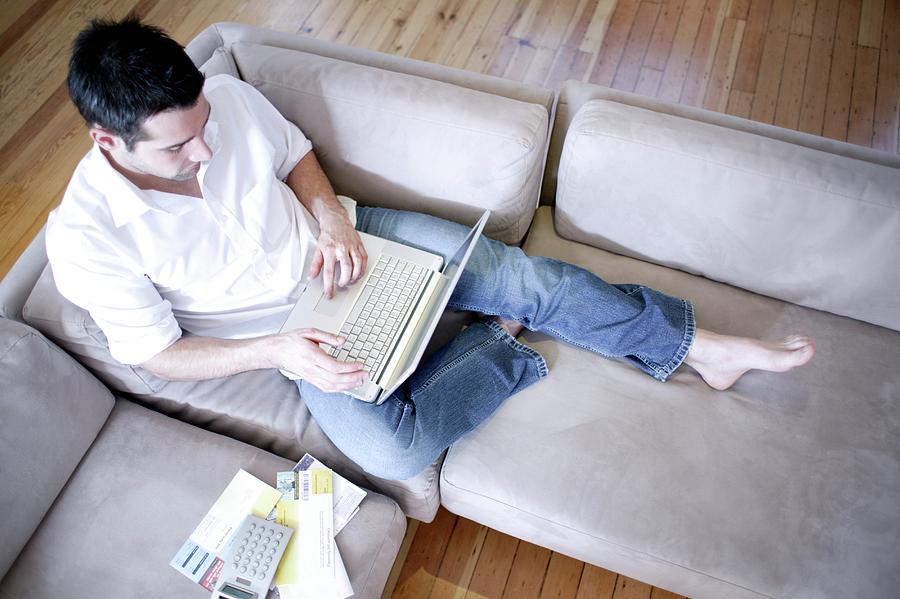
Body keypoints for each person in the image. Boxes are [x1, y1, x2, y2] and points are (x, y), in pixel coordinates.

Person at [48, 18, 815, 479]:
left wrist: (334, 221)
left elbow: (296, 157)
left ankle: (702, 348)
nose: (207, 151)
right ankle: (493, 345)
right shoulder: (87, 237)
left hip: (353, 242)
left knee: (527, 280)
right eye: (180, 148)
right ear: (106, 140)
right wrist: (279, 348)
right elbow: (157, 355)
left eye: (205, 125)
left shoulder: (229, 102)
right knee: (394, 451)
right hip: (291, 332)